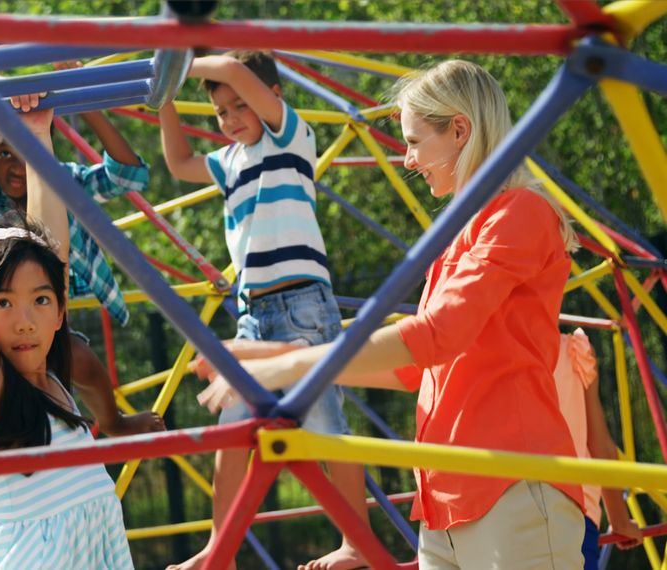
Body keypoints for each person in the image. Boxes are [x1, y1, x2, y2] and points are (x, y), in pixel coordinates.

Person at [194, 60, 588, 569]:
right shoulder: (461, 235)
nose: (407, 159)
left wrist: (289, 367)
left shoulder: (520, 213)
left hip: (512, 489)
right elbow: (418, 367)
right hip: (444, 505)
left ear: (460, 130)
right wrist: (291, 353)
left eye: (415, 141)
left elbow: (436, 335)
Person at [158, 49, 367, 570]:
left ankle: (357, 542)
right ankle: (220, 548)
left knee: (324, 424)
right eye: (220, 113)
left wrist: (175, 62)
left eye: (239, 107)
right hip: (252, 315)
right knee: (233, 433)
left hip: (303, 304)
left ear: (271, 99)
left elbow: (230, 70)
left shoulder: (290, 137)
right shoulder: (228, 163)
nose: (230, 119)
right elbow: (180, 163)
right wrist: (163, 98)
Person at [0, 78, 132, 569]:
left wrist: (39, 137)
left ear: (61, 311)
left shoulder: (54, 380)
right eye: (1, 304)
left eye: (40, 301)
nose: (25, 321)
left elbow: (51, 247)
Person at [0, 69, 164, 437]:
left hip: (45, 312)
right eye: (5, 154)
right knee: (62, 346)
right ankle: (19, 301)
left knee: (83, 361)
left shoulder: (53, 383)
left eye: (25, 154)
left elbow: (121, 183)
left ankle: (111, 421)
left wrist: (67, 114)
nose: (17, 167)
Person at [554, 329, 642, 568]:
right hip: (575, 510)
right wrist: (620, 519)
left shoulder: (503, 350)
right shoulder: (574, 350)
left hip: (509, 506)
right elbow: (601, 446)